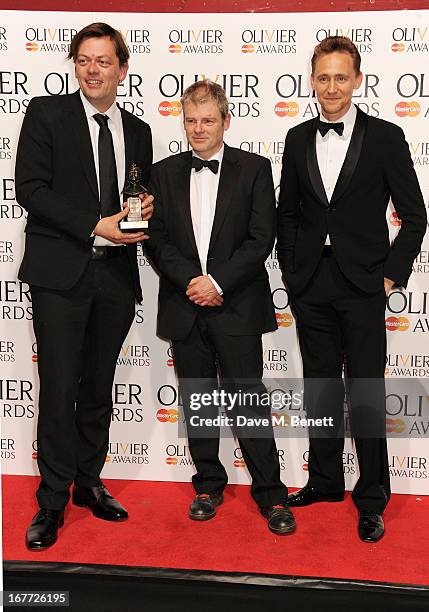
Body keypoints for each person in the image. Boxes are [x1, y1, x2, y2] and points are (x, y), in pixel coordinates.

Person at [277, 36, 426, 542]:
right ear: (312, 80)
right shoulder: (297, 139)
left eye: (342, 77)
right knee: (319, 386)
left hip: (363, 286)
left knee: (364, 391)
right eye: (323, 77)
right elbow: (288, 214)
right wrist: (294, 274)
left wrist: (389, 276)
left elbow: (415, 216)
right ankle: (324, 481)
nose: (332, 86)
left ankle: (372, 496)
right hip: (311, 285)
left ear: (358, 80)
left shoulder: (386, 138)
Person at [15, 22, 153, 550]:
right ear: (74, 65)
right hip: (60, 275)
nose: (93, 69)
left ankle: (88, 482)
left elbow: (136, 196)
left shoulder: (137, 131)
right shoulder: (46, 114)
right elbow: (31, 187)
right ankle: (51, 502)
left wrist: (144, 214)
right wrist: (97, 224)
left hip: (116, 277)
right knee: (59, 389)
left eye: (104, 61)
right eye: (84, 60)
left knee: (98, 389)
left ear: (122, 68)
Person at [146, 80, 295, 534]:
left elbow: (260, 238)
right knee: (198, 401)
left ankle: (271, 495)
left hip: (236, 304)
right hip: (185, 302)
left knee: (247, 399)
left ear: (226, 121)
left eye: (208, 120)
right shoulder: (163, 172)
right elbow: (157, 240)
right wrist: (192, 282)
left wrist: (216, 283)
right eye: (191, 120)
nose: (198, 129)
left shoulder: (254, 168)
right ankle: (208, 485)